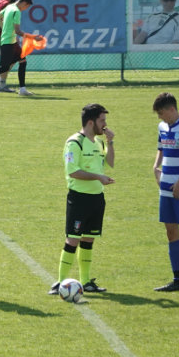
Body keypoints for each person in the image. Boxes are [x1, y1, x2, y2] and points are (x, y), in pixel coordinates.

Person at [50, 103, 114, 298]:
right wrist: (98, 177)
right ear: (90, 122)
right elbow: (73, 171)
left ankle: (86, 282)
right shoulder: (74, 143)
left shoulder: (99, 142)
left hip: (97, 198)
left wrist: (110, 142)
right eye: (102, 120)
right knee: (72, 240)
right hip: (79, 199)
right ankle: (60, 282)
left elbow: (110, 163)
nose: (105, 125)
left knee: (88, 240)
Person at [152, 92, 179, 292]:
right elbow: (161, 148)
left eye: (161, 113)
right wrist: (155, 167)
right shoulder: (162, 127)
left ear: (172, 109)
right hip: (166, 189)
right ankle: (178, 280)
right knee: (171, 232)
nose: (160, 117)